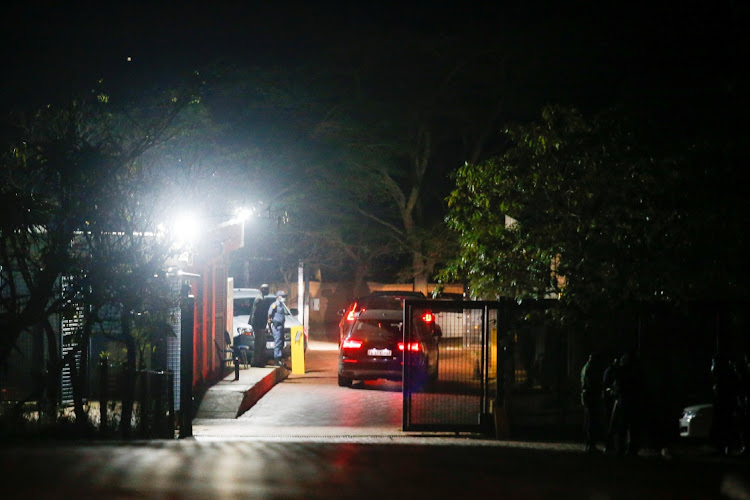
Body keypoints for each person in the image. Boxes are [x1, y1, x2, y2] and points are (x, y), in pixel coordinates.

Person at [581, 353, 603, 453]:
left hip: (586, 396)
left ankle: (588, 443)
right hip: (591, 397)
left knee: (588, 420)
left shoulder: (585, 367)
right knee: (592, 420)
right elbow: (592, 383)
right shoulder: (591, 368)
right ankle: (591, 444)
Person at [602, 357, 620, 452]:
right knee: (611, 423)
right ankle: (610, 445)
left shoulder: (612, 371)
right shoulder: (611, 371)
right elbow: (606, 386)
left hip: (611, 400)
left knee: (612, 423)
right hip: (610, 401)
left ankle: (611, 445)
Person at [268, 290, 288, 368]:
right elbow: (269, 315)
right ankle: (277, 360)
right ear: (278, 297)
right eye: (282, 296)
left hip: (281, 326)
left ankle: (279, 359)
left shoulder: (282, 305)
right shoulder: (274, 305)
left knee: (281, 343)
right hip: (277, 326)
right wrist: (269, 327)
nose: (284, 298)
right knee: (278, 343)